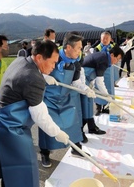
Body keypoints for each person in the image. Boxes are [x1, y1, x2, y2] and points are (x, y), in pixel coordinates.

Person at [0, 40, 69, 187]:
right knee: (19, 172)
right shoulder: (33, 79)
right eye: (52, 62)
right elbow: (40, 115)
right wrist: (57, 133)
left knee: (11, 173)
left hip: (3, 123)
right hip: (8, 128)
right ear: (39, 58)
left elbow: (24, 76)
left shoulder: (21, 60)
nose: (54, 67)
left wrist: (45, 77)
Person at [38, 32, 95, 167]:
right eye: (79, 48)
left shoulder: (75, 64)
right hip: (49, 98)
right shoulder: (52, 56)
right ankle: (45, 152)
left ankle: (76, 147)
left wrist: (85, 89)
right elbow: (37, 70)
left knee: (73, 122)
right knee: (47, 127)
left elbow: (75, 82)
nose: (80, 51)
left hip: (65, 97)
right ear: (68, 48)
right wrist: (46, 77)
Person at [81, 45, 124, 143]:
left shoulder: (104, 57)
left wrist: (91, 85)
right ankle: (80, 132)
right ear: (112, 55)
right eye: (117, 59)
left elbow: (95, 75)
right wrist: (107, 96)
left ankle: (91, 127)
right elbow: (100, 81)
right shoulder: (104, 59)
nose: (116, 62)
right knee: (85, 106)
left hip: (88, 81)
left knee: (89, 104)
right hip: (82, 81)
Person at [94, 31, 116, 116]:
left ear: (110, 39)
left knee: (109, 89)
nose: (105, 40)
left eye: (107, 38)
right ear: (100, 39)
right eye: (103, 38)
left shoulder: (113, 47)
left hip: (109, 71)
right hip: (100, 70)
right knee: (99, 89)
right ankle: (98, 108)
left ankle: (107, 107)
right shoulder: (97, 48)